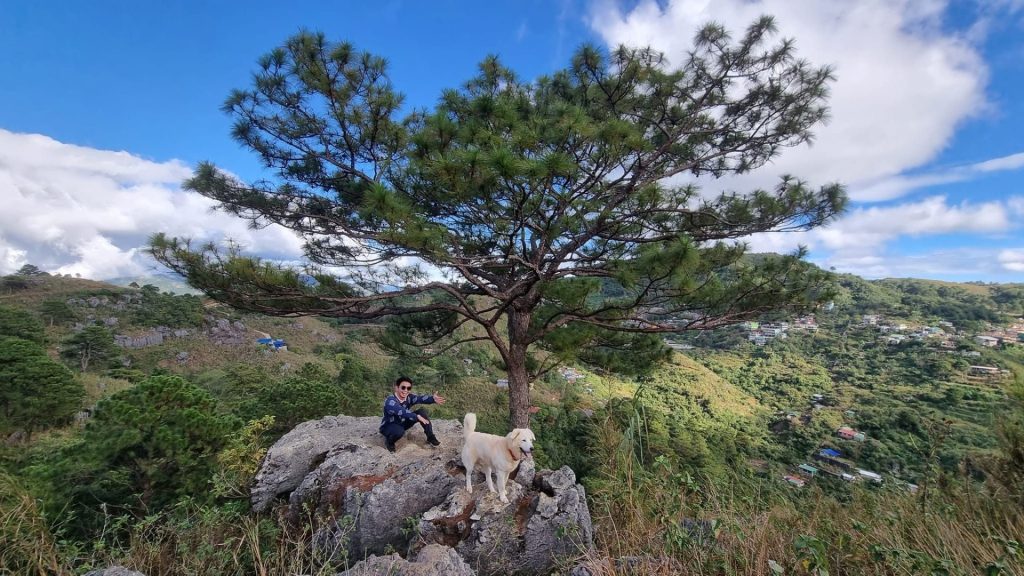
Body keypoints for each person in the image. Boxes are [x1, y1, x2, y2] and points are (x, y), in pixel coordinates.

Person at [379, 376, 446, 452]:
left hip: (402, 422)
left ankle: (430, 436)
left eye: (408, 388)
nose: (405, 390)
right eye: (403, 387)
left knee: (422, 412)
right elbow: (401, 411)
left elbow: (420, 398)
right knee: (399, 431)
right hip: (389, 426)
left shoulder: (409, 397)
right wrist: (416, 416)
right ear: (397, 388)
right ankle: (389, 442)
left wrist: (432, 399)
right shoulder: (390, 401)